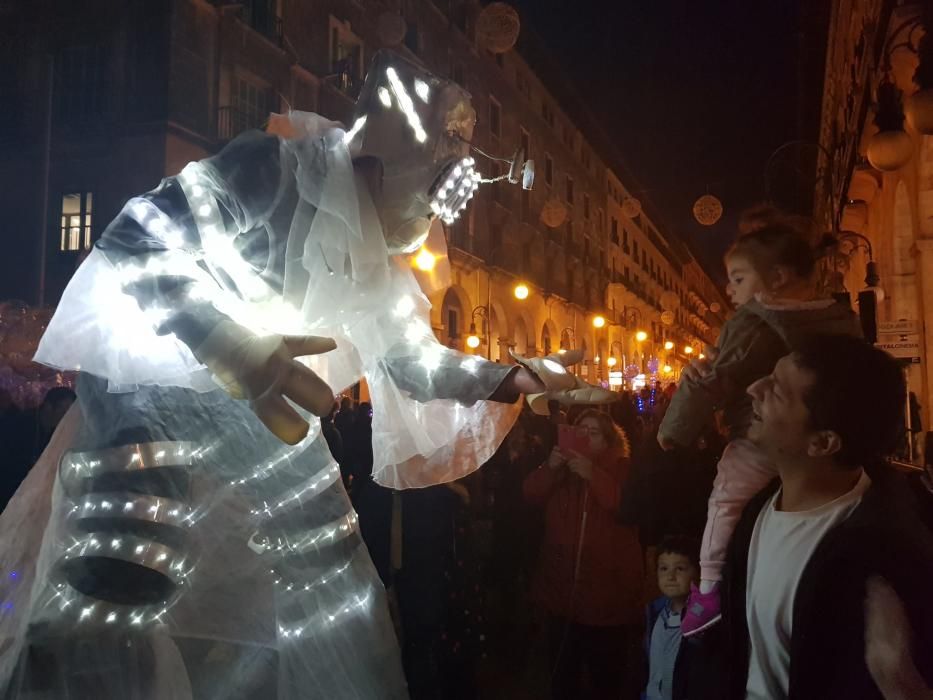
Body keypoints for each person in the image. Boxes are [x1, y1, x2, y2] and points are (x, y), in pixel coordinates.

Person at [0, 50, 615, 699]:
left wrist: (508, 378)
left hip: (259, 413)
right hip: (152, 394)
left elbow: (409, 356)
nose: (433, 216)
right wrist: (227, 342)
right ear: (385, 165)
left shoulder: (377, 255)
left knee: (315, 578)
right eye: (434, 188)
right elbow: (139, 233)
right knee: (127, 563)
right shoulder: (267, 169)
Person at [657, 221, 861, 636]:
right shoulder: (843, 318)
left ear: (777, 277)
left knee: (726, 498)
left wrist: (672, 432)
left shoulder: (752, 321)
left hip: (762, 436)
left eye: (737, 278)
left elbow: (715, 378)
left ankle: (710, 586)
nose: (729, 290)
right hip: (830, 442)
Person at [718, 334, 933, 699]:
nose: (755, 388)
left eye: (777, 390)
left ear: (822, 443)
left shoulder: (889, 559)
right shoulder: (758, 511)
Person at [523, 409, 643, 699]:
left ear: (609, 439)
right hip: (562, 595)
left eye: (594, 433)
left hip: (606, 596)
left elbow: (626, 507)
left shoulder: (622, 467)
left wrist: (594, 474)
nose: (586, 438)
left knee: (607, 677)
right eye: (581, 432)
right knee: (564, 675)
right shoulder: (560, 471)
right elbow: (530, 494)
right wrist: (550, 467)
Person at [643, 536, 713, 700]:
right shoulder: (654, 612)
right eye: (664, 568)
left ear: (698, 572)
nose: (671, 576)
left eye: (680, 569)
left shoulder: (701, 619)